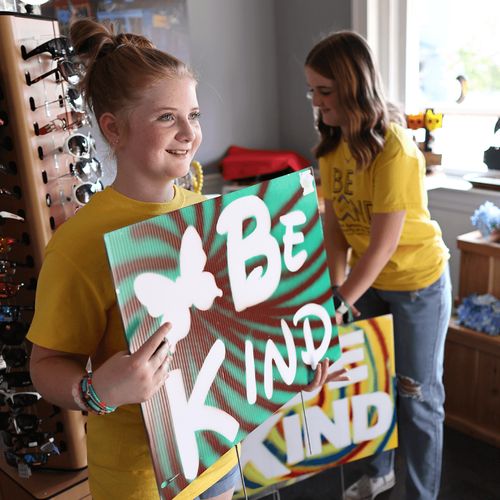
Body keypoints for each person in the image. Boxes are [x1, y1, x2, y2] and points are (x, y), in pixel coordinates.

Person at [27, 18, 345, 500]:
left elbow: (235, 332)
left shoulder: (203, 213)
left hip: (218, 458)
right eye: (165, 118)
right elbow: (45, 364)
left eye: (193, 115)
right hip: (141, 479)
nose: (188, 133)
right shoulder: (81, 242)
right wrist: (95, 390)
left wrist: (289, 368)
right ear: (113, 128)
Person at [304, 31, 452, 500]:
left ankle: (422, 494)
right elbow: (335, 230)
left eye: (324, 91)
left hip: (416, 284)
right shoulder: (331, 148)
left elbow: (382, 247)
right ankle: (380, 471)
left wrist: (338, 303)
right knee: (372, 381)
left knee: (417, 397)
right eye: (312, 91)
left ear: (352, 86)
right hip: (370, 285)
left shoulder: (396, 149)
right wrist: (334, 289)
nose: (316, 101)